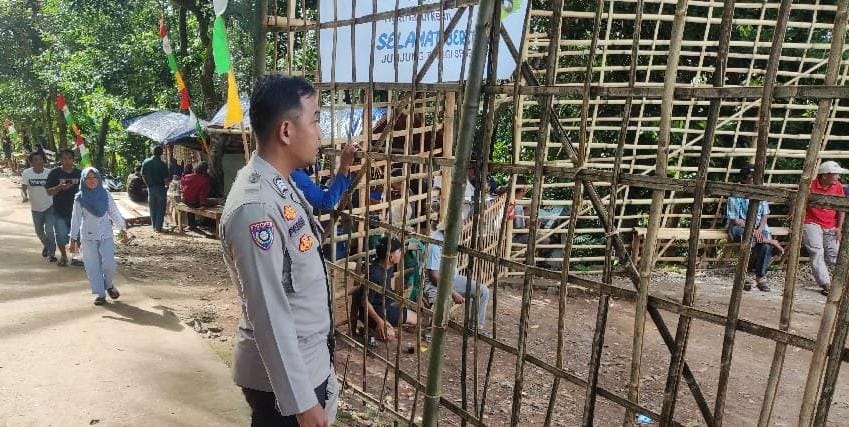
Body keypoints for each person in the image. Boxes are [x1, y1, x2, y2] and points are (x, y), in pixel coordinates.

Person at [220, 75, 338, 426]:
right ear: (286, 131)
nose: (320, 133)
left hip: (307, 363)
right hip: (284, 387)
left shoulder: (280, 186)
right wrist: (302, 403)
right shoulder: (255, 208)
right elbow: (268, 310)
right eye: (315, 120)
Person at [69, 167, 128, 306]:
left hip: (106, 234)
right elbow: (75, 219)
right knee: (92, 266)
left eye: (94, 177)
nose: (91, 181)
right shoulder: (79, 198)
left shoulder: (105, 194)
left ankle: (108, 284)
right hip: (88, 236)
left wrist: (122, 228)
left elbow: (114, 212)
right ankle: (101, 294)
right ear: (83, 180)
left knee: (109, 264)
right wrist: (73, 239)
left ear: (98, 179)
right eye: (88, 178)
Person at [726, 164, 784, 292]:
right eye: (751, 177)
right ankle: (743, 275)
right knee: (749, 240)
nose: (754, 179)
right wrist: (752, 230)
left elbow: (765, 215)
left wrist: (759, 230)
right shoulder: (735, 193)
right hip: (740, 227)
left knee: (765, 246)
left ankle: (760, 277)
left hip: (759, 228)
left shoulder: (760, 191)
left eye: (756, 177)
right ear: (744, 178)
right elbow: (735, 219)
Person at [423, 221, 490, 331]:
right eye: (460, 226)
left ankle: (475, 328)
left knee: (483, 291)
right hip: (435, 284)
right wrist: (453, 293)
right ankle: (432, 332)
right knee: (443, 302)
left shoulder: (451, 237)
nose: (462, 228)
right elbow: (433, 277)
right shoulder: (435, 243)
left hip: (452, 278)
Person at [351, 237, 418, 341]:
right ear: (391, 257)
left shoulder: (387, 265)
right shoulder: (375, 275)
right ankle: (370, 330)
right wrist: (380, 321)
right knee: (390, 335)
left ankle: (377, 329)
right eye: (399, 251)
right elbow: (365, 302)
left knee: (416, 320)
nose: (402, 253)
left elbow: (390, 281)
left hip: (385, 306)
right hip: (374, 313)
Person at [802, 160, 848, 296]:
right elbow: (798, 203)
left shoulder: (838, 187)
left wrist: (839, 227)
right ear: (825, 175)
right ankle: (826, 284)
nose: (838, 177)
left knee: (835, 254)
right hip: (811, 222)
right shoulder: (810, 186)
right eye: (835, 174)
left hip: (830, 224)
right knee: (817, 251)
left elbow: (841, 208)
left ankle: (842, 282)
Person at [289, 141, 356, 210]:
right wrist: (344, 166)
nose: (319, 145)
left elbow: (310, 171)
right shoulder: (294, 174)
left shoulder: (291, 170)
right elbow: (325, 201)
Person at [46, 149, 82, 266]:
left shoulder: (80, 173)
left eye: (69, 158)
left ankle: (76, 257)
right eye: (64, 158)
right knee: (61, 235)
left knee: (78, 235)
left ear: (73, 159)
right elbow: (49, 192)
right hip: (59, 211)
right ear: (60, 160)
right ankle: (64, 256)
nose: (67, 161)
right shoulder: (54, 173)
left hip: (77, 212)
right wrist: (59, 187)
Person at [21, 151, 57, 262]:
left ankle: (51, 253)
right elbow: (23, 188)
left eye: (41, 159)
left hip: (50, 206)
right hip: (36, 208)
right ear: (31, 163)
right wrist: (24, 196)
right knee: (39, 231)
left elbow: (56, 188)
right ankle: (47, 245)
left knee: (49, 230)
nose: (39, 162)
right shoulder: (27, 173)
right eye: (35, 160)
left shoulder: (49, 173)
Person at [141, 145, 170, 232]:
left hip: (151, 188)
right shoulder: (162, 164)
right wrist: (167, 187)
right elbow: (166, 179)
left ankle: (154, 227)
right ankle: (158, 227)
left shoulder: (146, 162)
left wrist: (148, 185)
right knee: (161, 207)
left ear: (152, 152)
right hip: (161, 188)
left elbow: (143, 176)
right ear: (161, 153)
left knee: (152, 207)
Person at [181, 161, 212, 229]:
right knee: (217, 201)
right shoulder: (204, 180)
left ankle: (191, 224)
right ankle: (207, 223)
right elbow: (202, 194)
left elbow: (183, 186)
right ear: (205, 171)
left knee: (190, 204)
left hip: (186, 201)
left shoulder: (186, 177)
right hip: (196, 203)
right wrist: (203, 205)